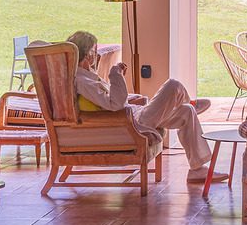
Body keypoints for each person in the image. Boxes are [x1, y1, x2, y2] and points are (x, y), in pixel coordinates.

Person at [67, 29, 213, 179]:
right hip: (133, 124)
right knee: (173, 85)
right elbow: (116, 105)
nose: (96, 55)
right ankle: (189, 101)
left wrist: (129, 95)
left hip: (134, 115)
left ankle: (197, 170)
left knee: (187, 112)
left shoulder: (87, 77)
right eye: (94, 51)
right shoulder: (83, 81)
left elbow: (111, 101)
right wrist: (115, 75)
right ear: (86, 54)